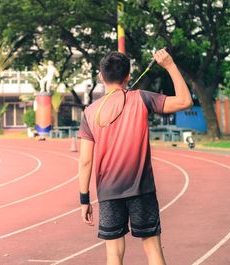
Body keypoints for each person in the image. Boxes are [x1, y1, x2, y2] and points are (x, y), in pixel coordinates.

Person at [78, 49, 192, 265]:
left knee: (114, 254)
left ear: (101, 76)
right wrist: (169, 65)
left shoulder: (90, 112)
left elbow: (85, 161)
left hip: (109, 192)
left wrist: (84, 199)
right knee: (153, 250)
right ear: (128, 76)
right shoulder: (142, 98)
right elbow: (185, 101)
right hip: (142, 191)